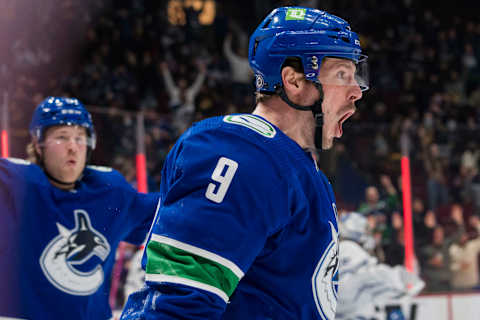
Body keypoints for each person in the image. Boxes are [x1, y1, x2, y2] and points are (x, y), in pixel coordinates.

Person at [121, 6, 368, 319]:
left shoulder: (301, 169)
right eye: (342, 75)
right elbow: (180, 307)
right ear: (293, 80)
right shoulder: (238, 153)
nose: (357, 91)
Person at [0, 97, 159, 319]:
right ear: (38, 144)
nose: (73, 147)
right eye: (62, 137)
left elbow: (172, 214)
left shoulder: (109, 192)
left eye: (80, 137)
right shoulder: (13, 186)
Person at [336, 212, 424, 320]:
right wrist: (402, 278)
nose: (368, 234)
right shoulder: (353, 250)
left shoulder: (330, 254)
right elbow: (372, 275)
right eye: (366, 230)